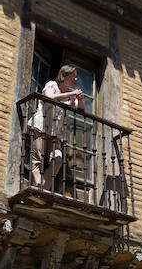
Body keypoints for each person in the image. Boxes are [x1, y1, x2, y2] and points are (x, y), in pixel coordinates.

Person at [29, 63, 84, 192]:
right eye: (73, 76)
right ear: (64, 75)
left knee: (57, 160)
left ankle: (41, 188)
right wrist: (69, 95)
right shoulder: (51, 85)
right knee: (37, 159)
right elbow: (49, 97)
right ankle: (39, 189)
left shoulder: (70, 95)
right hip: (40, 126)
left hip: (56, 134)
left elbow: (80, 108)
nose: (75, 79)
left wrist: (79, 98)